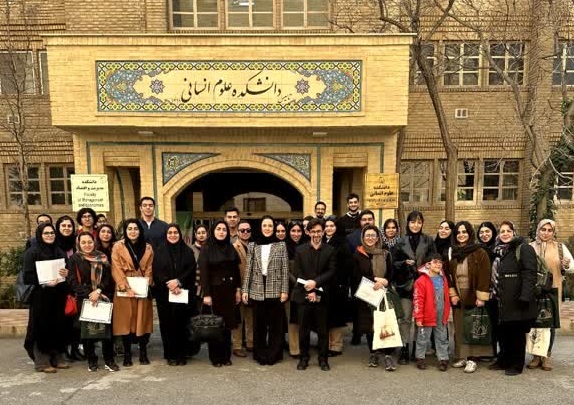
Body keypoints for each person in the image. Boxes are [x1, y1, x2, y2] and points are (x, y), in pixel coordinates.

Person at [488, 221, 537, 376]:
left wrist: (525, 296)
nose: (505, 234)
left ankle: (516, 365)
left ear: (514, 232)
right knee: (503, 332)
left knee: (516, 333)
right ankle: (504, 360)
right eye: (502, 231)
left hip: (517, 298)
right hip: (501, 298)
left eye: (508, 231)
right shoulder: (498, 251)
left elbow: (529, 273)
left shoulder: (523, 248)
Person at [67, 232, 119, 372]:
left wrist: (98, 291)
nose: (87, 245)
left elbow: (108, 278)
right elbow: (72, 280)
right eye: (83, 242)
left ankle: (109, 360)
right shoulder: (74, 259)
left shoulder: (102, 257)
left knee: (106, 332)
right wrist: (89, 294)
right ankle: (91, 360)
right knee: (88, 332)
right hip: (85, 299)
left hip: (103, 297)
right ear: (79, 244)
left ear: (94, 242)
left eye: (89, 242)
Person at [242, 216, 290, 365]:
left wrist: (284, 291)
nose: (267, 228)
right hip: (257, 288)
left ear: (273, 228)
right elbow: (248, 269)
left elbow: (285, 270)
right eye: (265, 225)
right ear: (260, 227)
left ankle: (274, 355)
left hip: (275, 289)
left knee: (276, 325)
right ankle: (260, 354)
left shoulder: (281, 245)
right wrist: (245, 290)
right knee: (259, 325)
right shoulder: (253, 245)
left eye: (270, 226)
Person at [527, 219, 574, 371]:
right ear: (538, 230)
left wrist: (566, 264)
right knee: (534, 323)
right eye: (543, 229)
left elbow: (571, 268)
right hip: (534, 291)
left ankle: (546, 355)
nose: (546, 233)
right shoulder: (530, 247)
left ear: (553, 232)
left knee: (549, 323)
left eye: (549, 230)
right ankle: (535, 355)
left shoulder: (560, 247)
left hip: (552, 291)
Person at [22, 223, 70, 373]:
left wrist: (66, 273)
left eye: (52, 233)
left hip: (58, 295)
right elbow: (27, 276)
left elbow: (67, 269)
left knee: (57, 325)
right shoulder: (32, 252)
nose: (50, 236)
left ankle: (57, 357)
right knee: (41, 327)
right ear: (40, 235)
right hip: (40, 296)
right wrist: (44, 281)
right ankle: (42, 361)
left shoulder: (59, 251)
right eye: (46, 233)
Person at [291, 218, 336, 371]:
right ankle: (303, 358)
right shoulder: (300, 250)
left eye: (319, 231)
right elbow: (297, 272)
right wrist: (309, 290)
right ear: (308, 232)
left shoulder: (330, 250)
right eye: (313, 231)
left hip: (322, 295)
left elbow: (331, 272)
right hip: (303, 295)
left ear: (323, 232)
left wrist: (315, 285)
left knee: (323, 330)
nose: (316, 234)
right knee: (303, 330)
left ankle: (323, 359)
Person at [447, 221, 491, 373]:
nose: (461, 235)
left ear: (470, 233)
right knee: (459, 326)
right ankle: (462, 356)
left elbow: (485, 275)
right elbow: (448, 275)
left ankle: (473, 359)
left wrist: (481, 297)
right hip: (458, 294)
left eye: (464, 232)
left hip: (473, 293)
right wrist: (453, 294)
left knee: (472, 326)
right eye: (458, 232)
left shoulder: (479, 252)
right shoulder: (452, 252)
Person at [393, 210, 436, 365]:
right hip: (405, 285)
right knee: (405, 318)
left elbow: (434, 260)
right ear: (408, 223)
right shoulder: (400, 241)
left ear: (422, 223)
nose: (415, 225)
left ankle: (418, 349)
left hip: (423, 285)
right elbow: (394, 263)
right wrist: (404, 263)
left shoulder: (428, 240)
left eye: (419, 222)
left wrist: (426, 266)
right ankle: (404, 348)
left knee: (421, 319)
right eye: (412, 222)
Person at [352, 225, 396, 370]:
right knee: (370, 325)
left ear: (377, 238)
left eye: (373, 235)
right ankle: (373, 352)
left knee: (385, 324)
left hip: (383, 292)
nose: (370, 238)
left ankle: (388, 355)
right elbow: (356, 275)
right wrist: (376, 280)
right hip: (367, 294)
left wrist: (385, 281)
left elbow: (391, 272)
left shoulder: (385, 253)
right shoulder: (358, 254)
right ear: (363, 237)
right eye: (367, 235)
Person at [111, 219, 154, 367]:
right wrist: (125, 287)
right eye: (129, 229)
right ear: (125, 231)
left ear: (140, 231)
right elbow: (116, 268)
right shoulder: (118, 246)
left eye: (136, 228)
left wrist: (146, 283)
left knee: (142, 321)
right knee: (125, 322)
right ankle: (127, 354)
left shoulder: (148, 248)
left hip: (141, 287)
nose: (133, 231)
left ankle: (143, 353)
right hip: (124, 289)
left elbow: (149, 268)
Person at [199, 220, 241, 367]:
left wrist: (238, 289)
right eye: (218, 229)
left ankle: (226, 356)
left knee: (227, 325)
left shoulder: (231, 248)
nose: (221, 232)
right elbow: (204, 273)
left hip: (229, 291)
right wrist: (206, 294)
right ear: (213, 231)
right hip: (214, 291)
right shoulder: (206, 248)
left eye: (224, 229)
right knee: (215, 325)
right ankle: (215, 358)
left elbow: (236, 271)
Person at [153, 223, 196, 366]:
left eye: (175, 232)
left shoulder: (188, 251)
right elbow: (157, 271)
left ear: (180, 234)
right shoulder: (159, 251)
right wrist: (169, 283)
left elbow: (191, 270)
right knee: (167, 325)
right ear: (166, 235)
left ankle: (182, 354)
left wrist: (178, 282)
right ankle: (170, 355)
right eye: (170, 233)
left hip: (182, 292)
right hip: (164, 294)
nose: (173, 235)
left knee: (182, 324)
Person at [413, 253, 450, 372]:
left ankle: (443, 358)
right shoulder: (421, 281)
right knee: (423, 337)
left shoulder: (443, 279)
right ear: (427, 265)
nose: (438, 264)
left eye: (440, 262)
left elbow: (446, 298)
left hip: (441, 313)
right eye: (435, 262)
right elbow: (418, 300)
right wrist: (418, 317)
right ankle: (420, 357)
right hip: (427, 314)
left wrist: (446, 313)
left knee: (442, 336)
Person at [323, 216, 352, 357]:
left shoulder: (342, 243)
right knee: (327, 316)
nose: (328, 228)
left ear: (337, 227)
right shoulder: (324, 241)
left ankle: (336, 346)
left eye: (331, 226)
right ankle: (327, 343)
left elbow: (347, 266)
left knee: (336, 317)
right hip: (326, 285)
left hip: (338, 285)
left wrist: (342, 283)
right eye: (326, 226)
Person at [55, 215, 82, 362]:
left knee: (76, 321)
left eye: (69, 226)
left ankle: (75, 349)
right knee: (62, 321)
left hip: (75, 288)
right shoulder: (54, 245)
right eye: (63, 225)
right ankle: (63, 350)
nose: (66, 228)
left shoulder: (76, 244)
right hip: (59, 288)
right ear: (58, 228)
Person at [477, 221, 499, 358]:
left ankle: (493, 351)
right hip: (482, 289)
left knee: (494, 321)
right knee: (483, 321)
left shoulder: (499, 249)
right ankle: (483, 351)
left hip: (496, 291)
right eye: (481, 232)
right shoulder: (477, 249)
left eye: (487, 232)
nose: (484, 234)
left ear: (493, 233)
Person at [232, 220, 254, 356]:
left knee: (251, 317)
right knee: (238, 319)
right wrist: (237, 289)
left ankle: (250, 343)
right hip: (239, 287)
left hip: (253, 288)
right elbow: (232, 270)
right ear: (237, 232)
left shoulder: (254, 246)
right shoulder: (233, 247)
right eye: (242, 230)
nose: (245, 232)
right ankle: (237, 345)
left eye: (248, 230)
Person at [285, 221, 304, 358]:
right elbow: (284, 269)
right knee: (292, 319)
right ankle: (294, 348)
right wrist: (296, 282)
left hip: (304, 288)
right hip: (290, 288)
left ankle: (304, 346)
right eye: (293, 231)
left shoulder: (306, 246)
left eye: (298, 231)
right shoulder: (284, 247)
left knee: (302, 318)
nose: (296, 234)